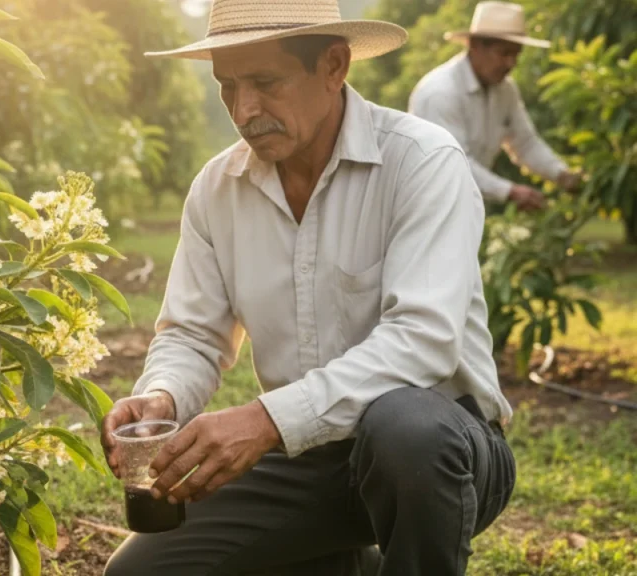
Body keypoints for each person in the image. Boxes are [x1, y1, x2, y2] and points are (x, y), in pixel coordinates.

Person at [99, 1, 516, 575]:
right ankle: (346, 560)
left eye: (265, 82)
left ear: (334, 65)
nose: (245, 109)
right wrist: (163, 395)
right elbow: (194, 335)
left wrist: (267, 421)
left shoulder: (422, 162)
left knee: (403, 428)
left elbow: (423, 341)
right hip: (308, 454)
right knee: (138, 574)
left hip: (444, 451)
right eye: (228, 87)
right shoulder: (218, 189)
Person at [409, 1, 581, 212]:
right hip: (426, 206)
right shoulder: (441, 92)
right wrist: (510, 191)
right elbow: (454, 164)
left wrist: (562, 175)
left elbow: (525, 143)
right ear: (475, 46)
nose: (511, 64)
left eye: (516, 54)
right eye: (504, 53)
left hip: (464, 205)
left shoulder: (505, 90)